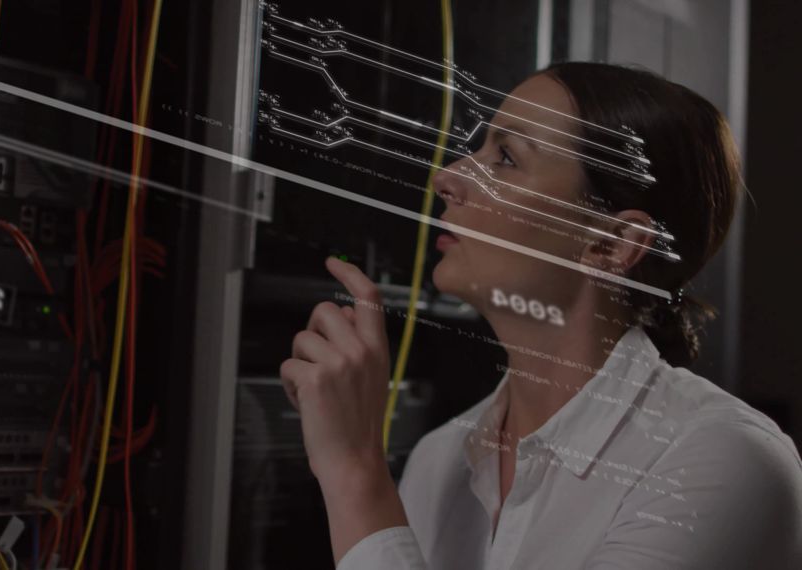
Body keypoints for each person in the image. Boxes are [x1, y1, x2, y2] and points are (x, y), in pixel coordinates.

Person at [279, 62, 802, 570]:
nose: (446, 178)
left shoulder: (726, 461)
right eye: (477, 150)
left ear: (613, 244)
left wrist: (355, 475)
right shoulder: (438, 462)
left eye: (506, 158)